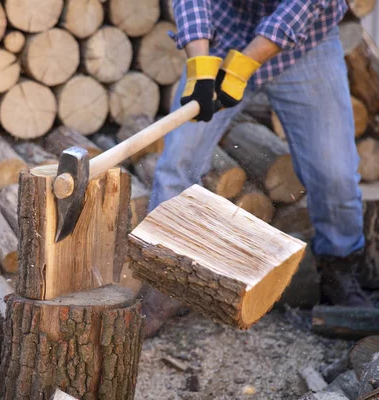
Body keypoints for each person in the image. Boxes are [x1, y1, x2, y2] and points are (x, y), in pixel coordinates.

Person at [141, 0, 374, 337]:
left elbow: (300, 9)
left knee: (334, 174)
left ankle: (339, 274)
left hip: (307, 47)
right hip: (226, 32)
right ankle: (165, 287)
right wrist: (202, 65)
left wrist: (242, 68)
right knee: (177, 164)